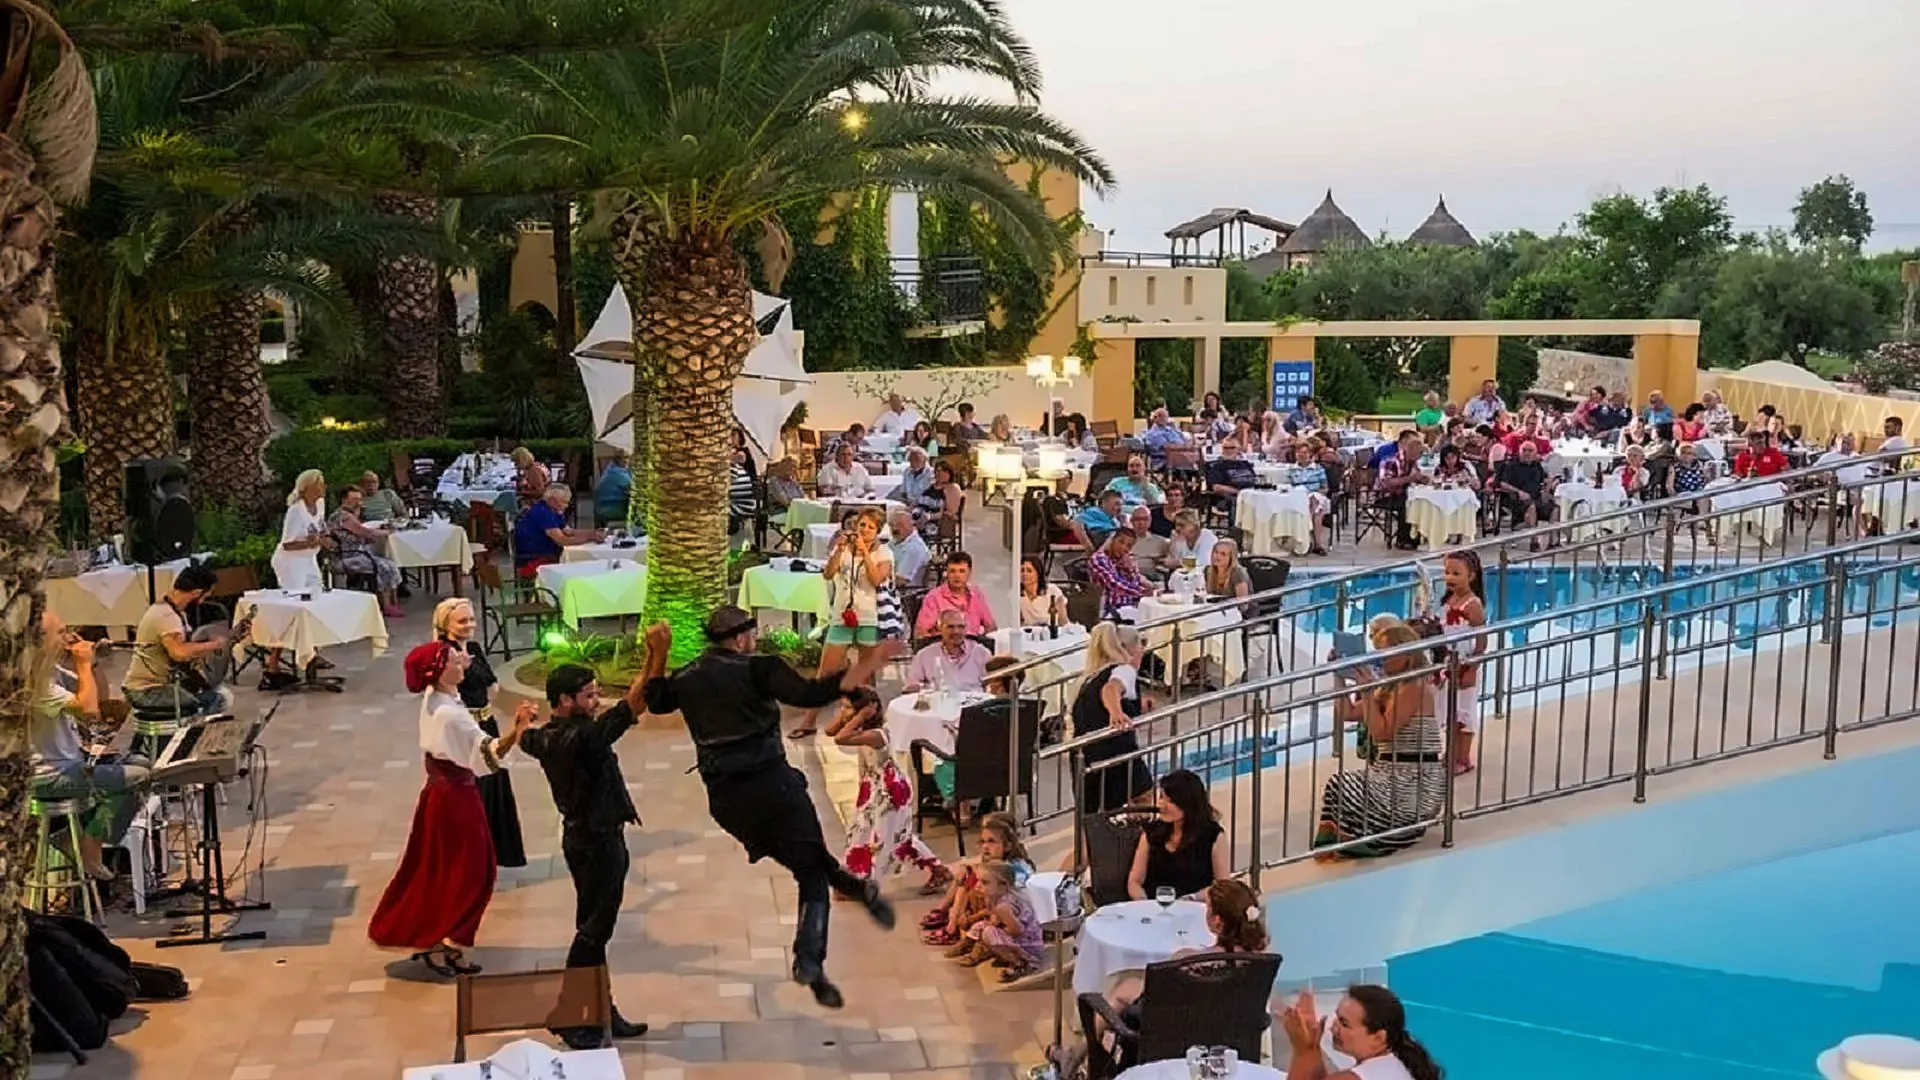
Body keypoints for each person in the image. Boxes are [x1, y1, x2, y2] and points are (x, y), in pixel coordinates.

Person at [642, 611, 900, 1009]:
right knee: (811, 873)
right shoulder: (760, 668)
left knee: (807, 861)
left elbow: (657, 702)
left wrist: (659, 652)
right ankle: (810, 959)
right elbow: (811, 694)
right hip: (774, 787)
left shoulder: (689, 675)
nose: (755, 640)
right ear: (740, 638)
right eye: (752, 634)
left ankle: (858, 890)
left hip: (726, 801)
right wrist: (869, 662)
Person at [368, 641, 533, 978]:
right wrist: (517, 730)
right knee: (472, 872)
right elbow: (487, 754)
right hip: (456, 799)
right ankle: (444, 939)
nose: (463, 664)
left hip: (442, 794)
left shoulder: (439, 698)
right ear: (438, 672)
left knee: (442, 869)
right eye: (456, 662)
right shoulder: (450, 714)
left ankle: (446, 941)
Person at [517, 663, 650, 1048]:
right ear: (564, 700)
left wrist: (522, 722)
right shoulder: (584, 737)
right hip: (598, 843)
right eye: (589, 695)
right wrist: (654, 658)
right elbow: (632, 706)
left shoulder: (544, 738)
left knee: (594, 929)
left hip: (580, 839)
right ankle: (570, 1014)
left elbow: (525, 737)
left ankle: (600, 1009)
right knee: (593, 932)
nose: (597, 701)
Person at [1072, 879, 1271, 1077]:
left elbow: (1156, 995)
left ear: (1217, 922)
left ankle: (1081, 1057)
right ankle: (1076, 1055)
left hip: (1177, 1039)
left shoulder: (1187, 960)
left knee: (1122, 992)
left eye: (1208, 907)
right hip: (1229, 1043)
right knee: (1132, 985)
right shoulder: (1260, 963)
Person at [1315, 622, 1447, 859]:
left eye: (1385, 653)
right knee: (1340, 788)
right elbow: (1347, 713)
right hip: (1391, 773)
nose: (1380, 660)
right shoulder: (1389, 687)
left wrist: (1367, 690)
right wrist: (1339, 675)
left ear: (1405, 654)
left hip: (1414, 780)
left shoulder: (1414, 686)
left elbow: (1381, 733)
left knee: (1341, 785)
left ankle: (1373, 837)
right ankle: (1350, 836)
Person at [34, 612, 148, 880]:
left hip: (70, 762)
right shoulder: (36, 682)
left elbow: (100, 698)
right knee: (138, 777)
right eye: (60, 632)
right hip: (50, 777)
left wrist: (92, 662)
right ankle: (91, 848)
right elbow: (89, 711)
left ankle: (74, 835)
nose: (68, 637)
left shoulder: (52, 670)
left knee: (140, 762)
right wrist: (83, 664)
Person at [828, 687, 949, 890]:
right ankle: (855, 875)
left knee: (884, 838)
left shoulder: (876, 735)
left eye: (848, 707)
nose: (844, 711)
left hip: (890, 790)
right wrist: (846, 715)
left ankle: (868, 883)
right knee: (862, 830)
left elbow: (840, 738)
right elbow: (830, 731)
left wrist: (859, 716)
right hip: (873, 787)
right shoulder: (860, 729)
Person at [434, 598, 525, 868]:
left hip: (487, 723)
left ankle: (492, 854)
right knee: (475, 793)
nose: (469, 625)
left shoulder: (472, 648)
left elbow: (492, 684)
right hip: (465, 730)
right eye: (462, 621)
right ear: (446, 624)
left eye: (471, 619)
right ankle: (468, 859)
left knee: (494, 787)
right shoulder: (443, 654)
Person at [790, 506, 895, 739]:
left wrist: (865, 553)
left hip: (869, 617)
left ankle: (871, 719)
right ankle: (809, 721)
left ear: (878, 530)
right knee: (825, 673)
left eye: (870, 527)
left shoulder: (884, 552)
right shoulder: (845, 548)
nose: (864, 530)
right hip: (842, 616)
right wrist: (839, 549)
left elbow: (877, 580)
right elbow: (828, 574)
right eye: (862, 525)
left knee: (866, 674)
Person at [121, 562, 233, 719]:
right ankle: (194, 731)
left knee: (214, 691)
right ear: (196, 593)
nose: (202, 602)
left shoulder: (170, 609)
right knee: (220, 698)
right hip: (147, 690)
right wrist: (215, 644)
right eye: (204, 597)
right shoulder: (166, 616)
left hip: (156, 685)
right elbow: (179, 652)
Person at [1275, 984, 1444, 1080]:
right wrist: (1311, 1046)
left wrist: (1302, 1049)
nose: (1333, 1027)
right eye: (1337, 1017)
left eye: (1344, 1024)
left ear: (1378, 1038)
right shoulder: (1398, 1063)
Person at [1069, 622, 1155, 812]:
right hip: (1116, 755)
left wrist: (1135, 706)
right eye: (1141, 645)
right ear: (1129, 649)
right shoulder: (1124, 670)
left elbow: (1099, 703)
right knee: (1145, 801)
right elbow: (1111, 689)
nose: (1143, 651)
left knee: (1096, 817)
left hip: (1086, 756)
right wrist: (1116, 712)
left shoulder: (1090, 678)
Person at [920, 811, 1033, 946]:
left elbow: (1013, 892)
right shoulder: (996, 860)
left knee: (973, 880)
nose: (985, 846)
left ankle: (953, 925)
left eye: (991, 841)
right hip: (997, 903)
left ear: (1007, 845)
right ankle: (948, 915)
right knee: (967, 873)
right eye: (982, 842)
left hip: (1009, 910)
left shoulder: (1015, 867)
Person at [1127, 768, 1228, 900]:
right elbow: (1135, 881)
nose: (1162, 805)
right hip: (1155, 905)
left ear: (1187, 804)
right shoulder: (1152, 832)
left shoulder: (1212, 836)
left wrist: (1193, 897)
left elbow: (1222, 885)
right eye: (1161, 797)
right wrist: (1145, 903)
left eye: (1170, 801)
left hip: (1195, 905)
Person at [1438, 551, 1486, 775]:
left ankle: (1463, 757)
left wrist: (1472, 667)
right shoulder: (1448, 600)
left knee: (1463, 711)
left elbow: (1481, 640)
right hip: (1449, 662)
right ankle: (1450, 752)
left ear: (1471, 576)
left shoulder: (1472, 605)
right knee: (1450, 710)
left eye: (1456, 573)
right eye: (1447, 572)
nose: (1450, 577)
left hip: (1465, 663)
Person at [954, 860, 1044, 980]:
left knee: (988, 932)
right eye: (978, 880)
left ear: (1003, 885)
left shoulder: (1004, 906)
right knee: (981, 926)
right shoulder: (995, 898)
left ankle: (1022, 963)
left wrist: (998, 929)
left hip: (1028, 945)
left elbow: (1017, 931)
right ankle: (971, 948)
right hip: (1019, 940)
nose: (978, 885)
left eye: (985, 882)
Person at [329, 487, 405, 617]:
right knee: (383, 566)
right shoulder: (342, 516)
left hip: (359, 553)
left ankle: (392, 602)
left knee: (390, 564)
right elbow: (365, 532)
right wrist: (388, 531)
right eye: (354, 499)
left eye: (359, 499)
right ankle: (387, 604)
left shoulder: (352, 515)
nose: (358, 503)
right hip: (346, 557)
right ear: (344, 500)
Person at [511, 485, 602, 575]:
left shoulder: (552, 510)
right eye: (564, 502)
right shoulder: (543, 513)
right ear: (552, 500)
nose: (566, 506)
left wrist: (593, 533)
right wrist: (589, 537)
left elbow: (569, 531)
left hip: (546, 555)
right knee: (584, 565)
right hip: (534, 560)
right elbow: (562, 540)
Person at [904, 609, 993, 691]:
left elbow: (992, 685)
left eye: (961, 626)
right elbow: (912, 685)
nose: (956, 631)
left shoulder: (982, 653)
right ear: (940, 628)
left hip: (976, 702)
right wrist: (923, 688)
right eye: (950, 627)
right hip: (939, 701)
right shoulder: (924, 655)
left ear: (966, 629)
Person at [914, 551, 997, 637]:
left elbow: (991, 627)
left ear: (969, 573)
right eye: (952, 571)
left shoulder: (977, 594)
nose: (957, 576)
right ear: (947, 573)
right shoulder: (933, 598)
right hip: (944, 643)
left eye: (962, 571)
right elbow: (921, 633)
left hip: (973, 642)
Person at [275, 469, 332, 593]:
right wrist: (312, 543)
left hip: (309, 558)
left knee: (317, 591)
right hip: (291, 561)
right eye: (321, 484)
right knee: (296, 595)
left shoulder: (320, 504)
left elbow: (320, 526)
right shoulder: (296, 510)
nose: (325, 487)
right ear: (310, 487)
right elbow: (287, 545)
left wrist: (325, 538)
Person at [1492, 441, 1555, 542]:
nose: (1527, 453)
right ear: (1519, 451)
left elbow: (1546, 479)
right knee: (1531, 507)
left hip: (1536, 497)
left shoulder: (1537, 466)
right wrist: (1519, 492)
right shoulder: (1510, 465)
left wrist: (1547, 490)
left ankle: (1553, 542)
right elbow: (1502, 483)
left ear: (1535, 453)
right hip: (1516, 499)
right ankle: (1534, 542)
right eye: (1524, 450)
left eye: (1530, 451)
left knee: (1555, 508)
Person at [1374, 430, 1425, 550]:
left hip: (1402, 493)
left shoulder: (1412, 462)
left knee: (1421, 500)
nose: (1419, 457)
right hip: (1384, 495)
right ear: (1409, 450)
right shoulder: (1391, 461)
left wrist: (1421, 479)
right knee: (1407, 502)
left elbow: (1413, 478)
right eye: (1418, 454)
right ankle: (1403, 539)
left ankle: (1416, 536)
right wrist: (1410, 479)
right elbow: (1387, 483)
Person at [1087, 528, 1153, 619]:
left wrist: (1130, 569)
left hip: (1131, 606)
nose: (1123, 547)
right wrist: (1144, 592)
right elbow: (1115, 585)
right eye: (1121, 542)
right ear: (1112, 540)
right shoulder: (1098, 559)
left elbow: (1136, 581)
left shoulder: (1126, 558)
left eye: (1128, 546)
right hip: (1109, 610)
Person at [1205, 438, 1259, 521]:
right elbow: (1217, 488)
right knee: (1241, 502)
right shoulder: (1218, 466)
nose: (1229, 450)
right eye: (1226, 448)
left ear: (1238, 450)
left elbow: (1255, 480)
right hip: (1230, 498)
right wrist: (1240, 492)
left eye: (1232, 448)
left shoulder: (1245, 464)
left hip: (1252, 494)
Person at [914, 460, 964, 539]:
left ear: (950, 473)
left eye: (944, 471)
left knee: (910, 530)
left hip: (937, 523)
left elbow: (951, 512)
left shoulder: (952, 488)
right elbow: (919, 501)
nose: (940, 474)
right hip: (920, 515)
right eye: (938, 471)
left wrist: (928, 516)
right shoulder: (930, 486)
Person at [1018, 556, 1069, 626]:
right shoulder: (1017, 596)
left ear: (1038, 573)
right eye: (1022, 570)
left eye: (1029, 571)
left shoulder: (1052, 591)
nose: (1024, 574)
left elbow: (1063, 620)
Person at [1163, 509, 1218, 575]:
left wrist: (1179, 562)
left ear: (1194, 525)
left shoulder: (1208, 537)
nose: (1177, 528)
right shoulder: (1179, 538)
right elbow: (1171, 561)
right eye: (1176, 525)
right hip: (1184, 577)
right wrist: (1175, 543)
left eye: (1182, 525)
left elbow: (1203, 563)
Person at [890, 508, 932, 588]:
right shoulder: (896, 541)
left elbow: (901, 581)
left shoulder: (914, 548)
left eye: (900, 525)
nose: (894, 528)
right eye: (891, 525)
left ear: (911, 525)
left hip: (906, 591)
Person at [1204, 537, 1252, 602]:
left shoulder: (1238, 573)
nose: (1217, 556)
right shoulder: (1208, 570)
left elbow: (1243, 604)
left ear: (1231, 557)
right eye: (1216, 552)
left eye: (1223, 554)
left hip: (1236, 607)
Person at [595, 451, 633, 527]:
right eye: (626, 458)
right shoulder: (617, 474)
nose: (628, 460)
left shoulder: (611, 468)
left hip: (604, 508)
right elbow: (633, 489)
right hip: (610, 509)